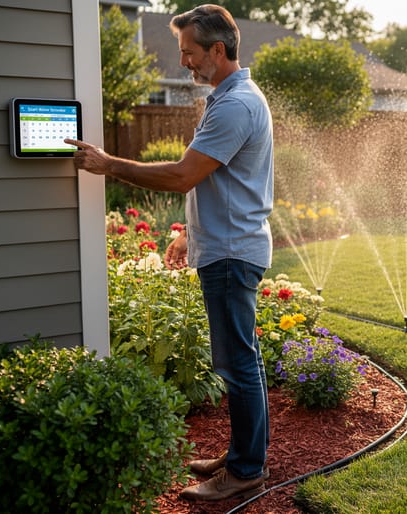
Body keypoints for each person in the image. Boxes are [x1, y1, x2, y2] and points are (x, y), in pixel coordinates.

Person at [66, 4, 273, 502]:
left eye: (189, 53)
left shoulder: (235, 105)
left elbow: (183, 173)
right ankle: (243, 454)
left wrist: (108, 164)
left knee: (237, 363)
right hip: (226, 245)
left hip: (230, 254)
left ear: (217, 51)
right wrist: (187, 233)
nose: (184, 63)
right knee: (243, 359)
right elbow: (211, 178)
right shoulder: (231, 97)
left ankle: (245, 469)